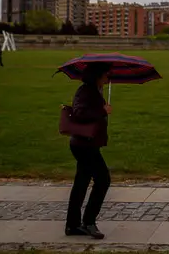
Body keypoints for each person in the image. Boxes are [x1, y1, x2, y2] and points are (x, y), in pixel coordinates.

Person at [65, 62, 112, 239]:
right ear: (97, 76)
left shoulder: (94, 90)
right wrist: (102, 110)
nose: (108, 78)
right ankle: (89, 222)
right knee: (103, 180)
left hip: (87, 144)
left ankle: (73, 225)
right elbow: (79, 113)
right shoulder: (85, 91)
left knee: (81, 183)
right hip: (84, 146)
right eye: (106, 74)